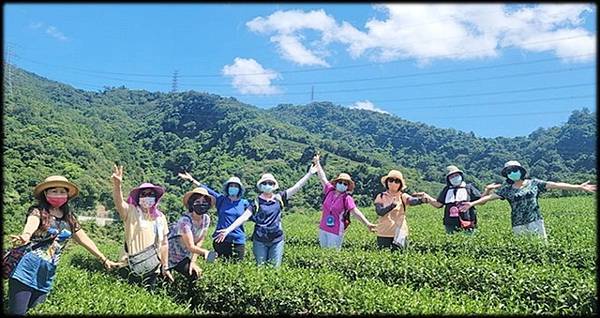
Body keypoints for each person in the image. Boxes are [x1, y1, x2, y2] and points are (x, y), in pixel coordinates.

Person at [7, 175, 118, 315]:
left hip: (46, 274)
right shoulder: (38, 211)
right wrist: (26, 235)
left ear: (67, 195)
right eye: (54, 191)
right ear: (45, 193)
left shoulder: (69, 218)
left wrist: (104, 259)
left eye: (62, 191)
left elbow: (84, 239)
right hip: (26, 269)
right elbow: (32, 223)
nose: (58, 195)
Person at [460, 160, 596, 240]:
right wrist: (472, 203)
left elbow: (555, 184)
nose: (511, 173)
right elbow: (490, 197)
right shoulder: (507, 189)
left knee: (541, 247)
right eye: (508, 171)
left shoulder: (534, 183)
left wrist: (579, 187)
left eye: (514, 170)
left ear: (520, 170)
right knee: (524, 249)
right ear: (506, 175)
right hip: (518, 223)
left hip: (535, 221)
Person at [214, 165, 316, 267]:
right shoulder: (256, 202)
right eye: (265, 183)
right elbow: (243, 217)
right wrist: (227, 230)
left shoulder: (279, 198)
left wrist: (309, 174)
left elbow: (296, 187)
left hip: (277, 239)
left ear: (274, 185)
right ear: (261, 185)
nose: (267, 185)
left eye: (270, 183)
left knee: (275, 268)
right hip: (260, 240)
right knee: (261, 268)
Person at [111, 165, 173, 289]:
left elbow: (164, 244)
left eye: (151, 194)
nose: (147, 197)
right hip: (129, 266)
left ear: (155, 198)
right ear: (139, 197)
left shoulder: (161, 217)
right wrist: (117, 186)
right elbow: (119, 203)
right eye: (144, 194)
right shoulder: (132, 212)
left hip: (152, 269)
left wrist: (165, 266)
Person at [178, 172, 250, 262]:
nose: (233, 188)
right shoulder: (221, 200)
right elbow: (207, 190)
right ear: (227, 188)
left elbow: (252, 215)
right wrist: (192, 180)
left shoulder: (244, 203)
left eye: (236, 186)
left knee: (238, 266)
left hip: (237, 240)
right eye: (231, 186)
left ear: (239, 189)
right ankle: (202, 267)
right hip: (220, 239)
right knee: (216, 262)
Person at [313, 154, 377, 250]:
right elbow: (322, 177)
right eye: (340, 182)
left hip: (336, 230)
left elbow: (355, 212)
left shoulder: (347, 198)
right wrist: (317, 162)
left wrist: (367, 223)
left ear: (347, 186)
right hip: (323, 228)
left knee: (332, 255)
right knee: (323, 253)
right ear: (336, 183)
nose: (342, 185)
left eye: (345, 183)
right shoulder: (329, 190)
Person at [414, 165, 499, 234]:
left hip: (468, 222)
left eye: (456, 175)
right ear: (448, 179)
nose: (455, 178)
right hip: (450, 223)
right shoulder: (446, 190)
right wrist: (427, 197)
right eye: (452, 176)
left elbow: (480, 201)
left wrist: (487, 190)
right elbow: (438, 204)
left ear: (461, 176)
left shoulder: (468, 188)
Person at [166, 187, 215, 283]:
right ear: (192, 203)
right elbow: (191, 246)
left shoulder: (206, 219)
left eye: (204, 201)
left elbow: (200, 241)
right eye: (198, 201)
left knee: (195, 275)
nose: (201, 204)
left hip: (184, 255)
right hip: (171, 254)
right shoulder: (185, 221)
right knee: (165, 282)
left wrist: (193, 262)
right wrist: (206, 253)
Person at [374, 169, 430, 250]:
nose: (393, 183)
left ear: (400, 184)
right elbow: (380, 212)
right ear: (387, 182)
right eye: (391, 180)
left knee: (400, 256)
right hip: (384, 233)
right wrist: (391, 206)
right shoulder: (381, 196)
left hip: (400, 233)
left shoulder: (402, 196)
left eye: (397, 181)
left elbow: (411, 201)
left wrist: (421, 200)